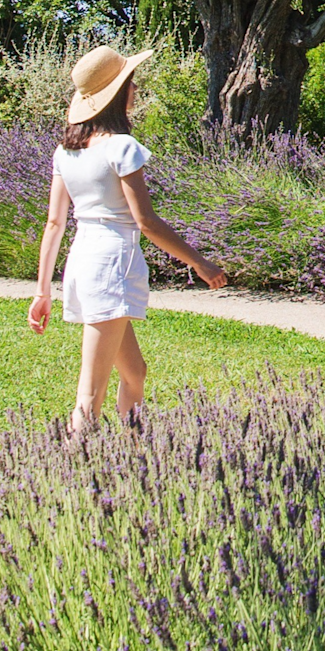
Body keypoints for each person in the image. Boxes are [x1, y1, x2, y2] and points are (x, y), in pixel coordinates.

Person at [29, 44, 226, 431]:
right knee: (90, 395)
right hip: (112, 263)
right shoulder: (123, 147)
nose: (135, 90)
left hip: (82, 261)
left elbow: (54, 224)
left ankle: (134, 453)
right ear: (118, 94)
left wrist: (43, 291)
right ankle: (76, 472)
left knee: (135, 372)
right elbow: (147, 222)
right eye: (131, 84)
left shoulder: (65, 152)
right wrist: (200, 263)